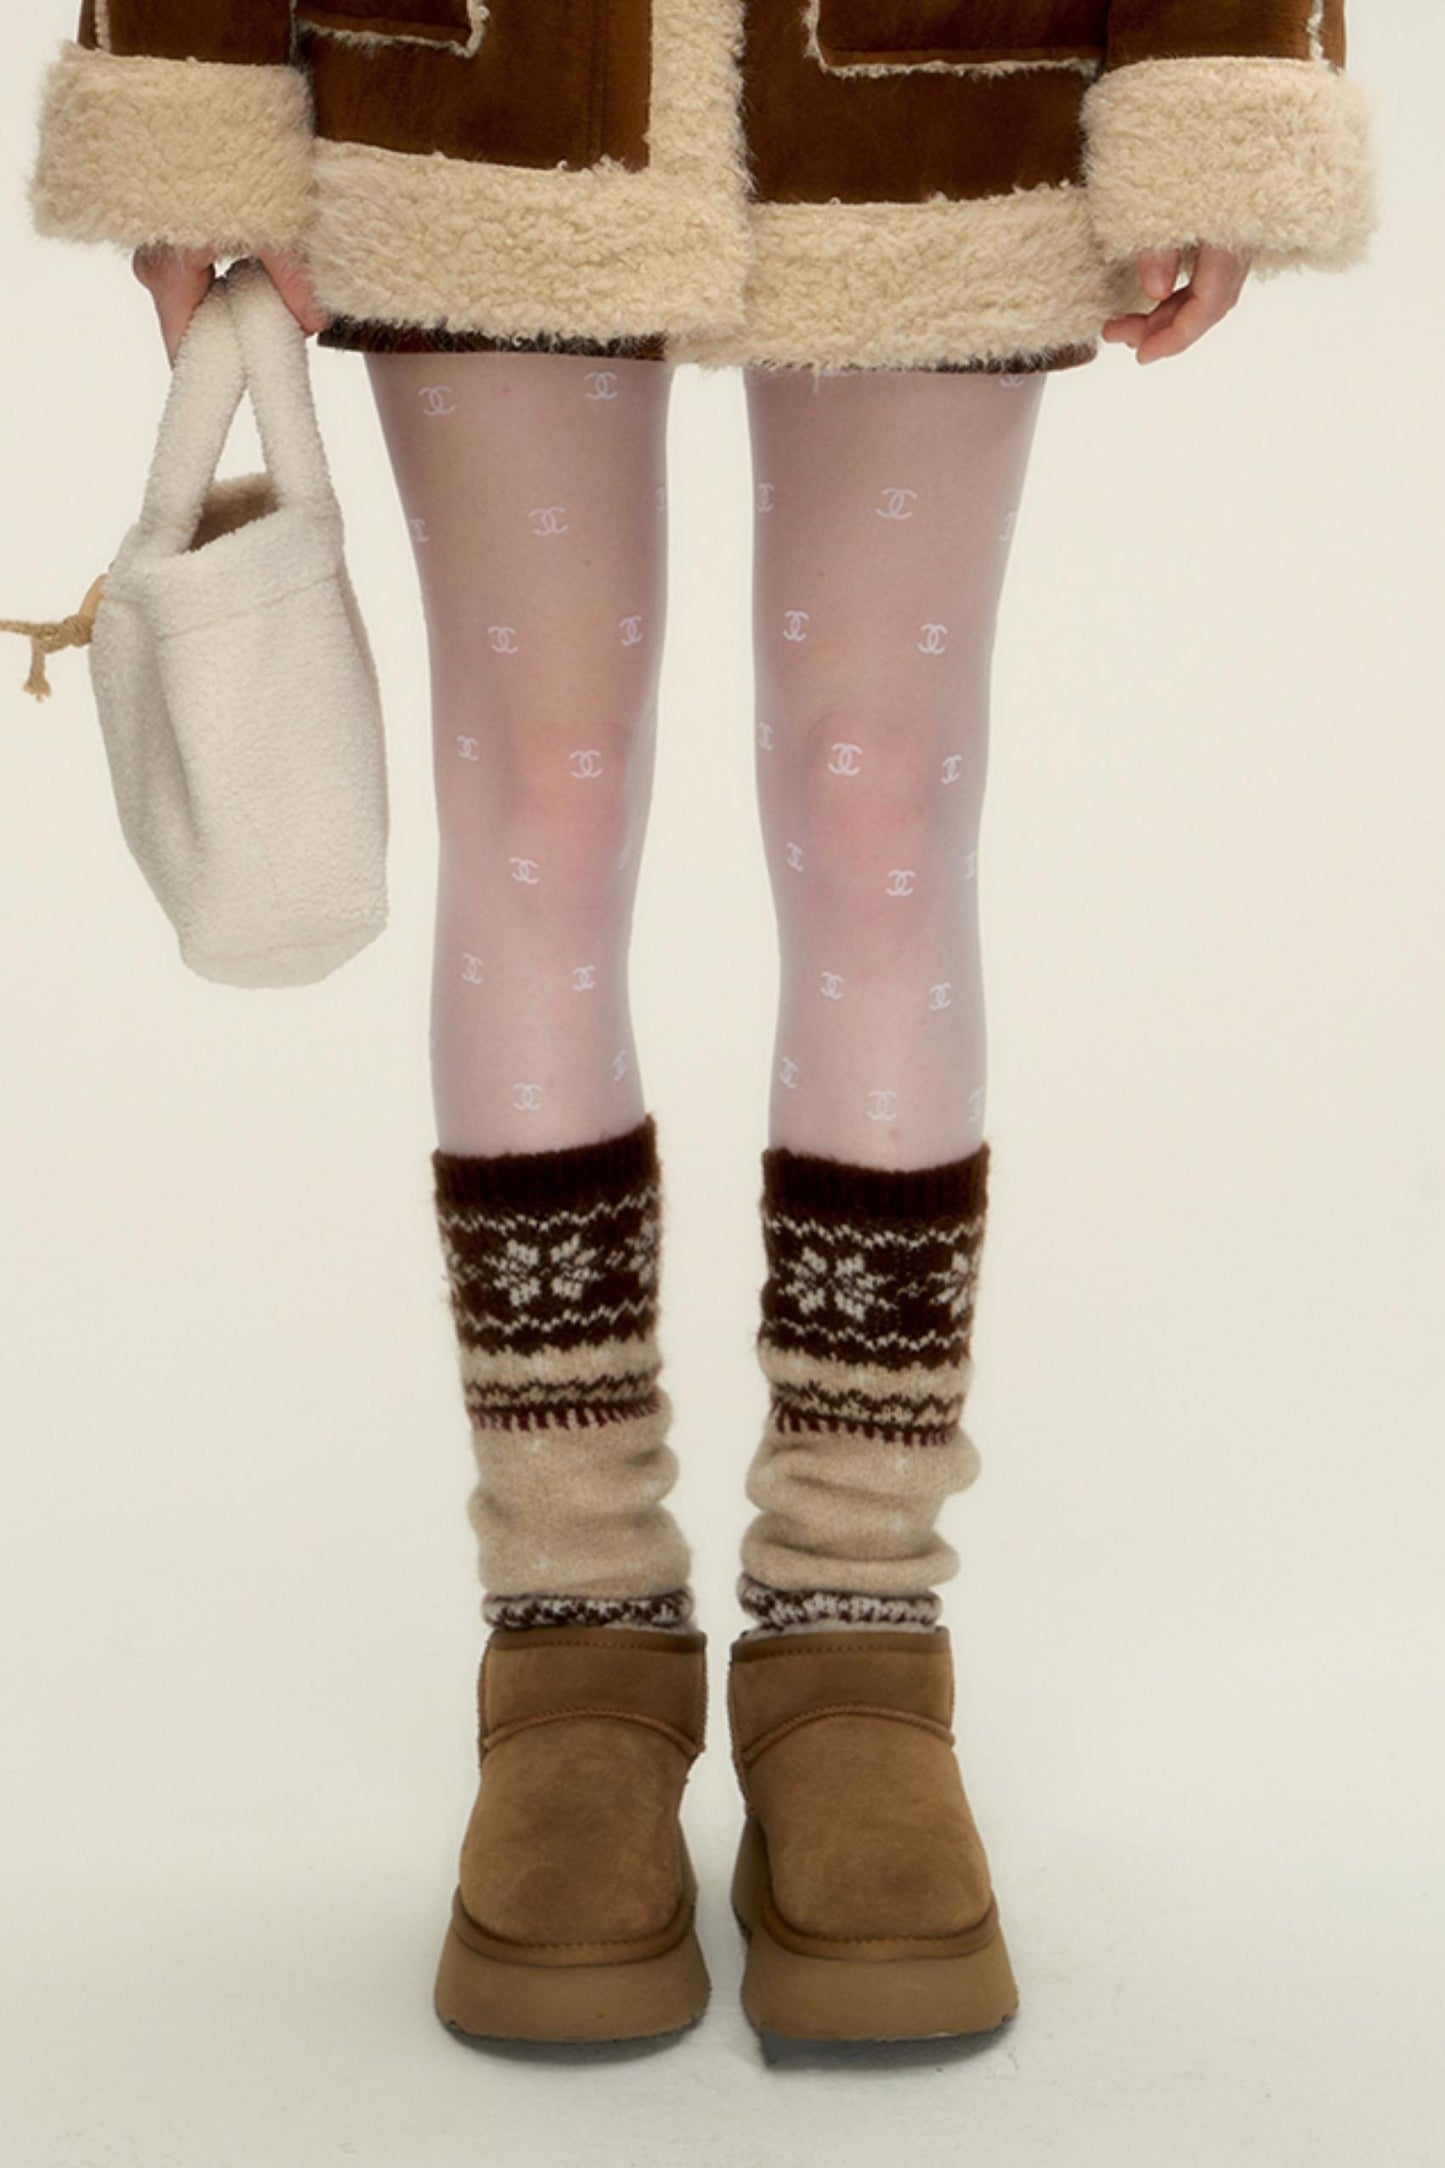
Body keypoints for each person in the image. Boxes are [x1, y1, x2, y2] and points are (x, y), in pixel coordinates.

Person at [28, 1, 1376, 2049]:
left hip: (934, 73)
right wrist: (191, 99)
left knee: (879, 802)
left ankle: (856, 1631)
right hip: (485, 66)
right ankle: (573, 1631)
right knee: (537, 800)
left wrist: (1223, 69)